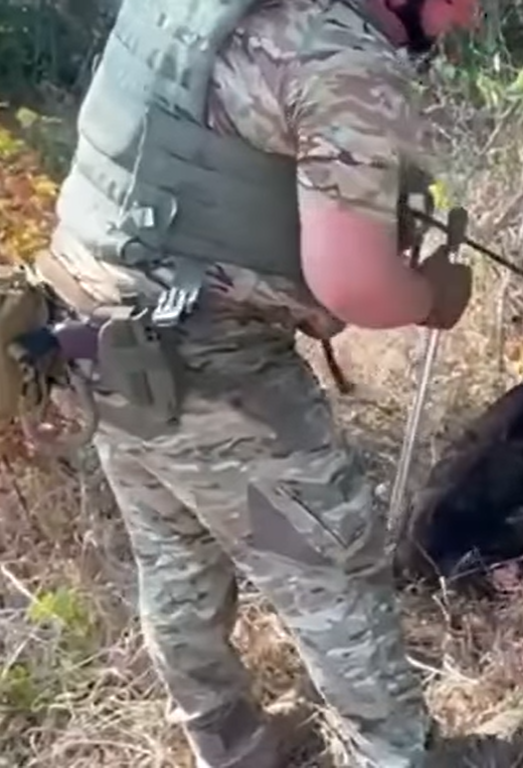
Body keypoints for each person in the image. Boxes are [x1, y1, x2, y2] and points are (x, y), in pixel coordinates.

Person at [29, 1, 479, 766]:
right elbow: (356, 287)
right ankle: (396, 757)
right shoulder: (341, 60)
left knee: (174, 555)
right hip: (212, 369)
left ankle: (227, 746)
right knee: (327, 570)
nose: (467, 18)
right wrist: (432, 294)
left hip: (89, 333)